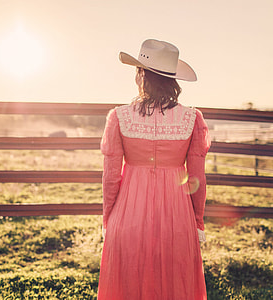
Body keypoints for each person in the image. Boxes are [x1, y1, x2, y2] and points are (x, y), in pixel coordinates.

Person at [97, 39, 210, 300]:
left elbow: (111, 177)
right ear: (172, 81)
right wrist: (198, 222)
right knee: (174, 282)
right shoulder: (192, 118)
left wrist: (108, 220)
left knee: (128, 284)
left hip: (128, 213)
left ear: (141, 75)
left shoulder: (119, 116)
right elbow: (196, 179)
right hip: (177, 215)